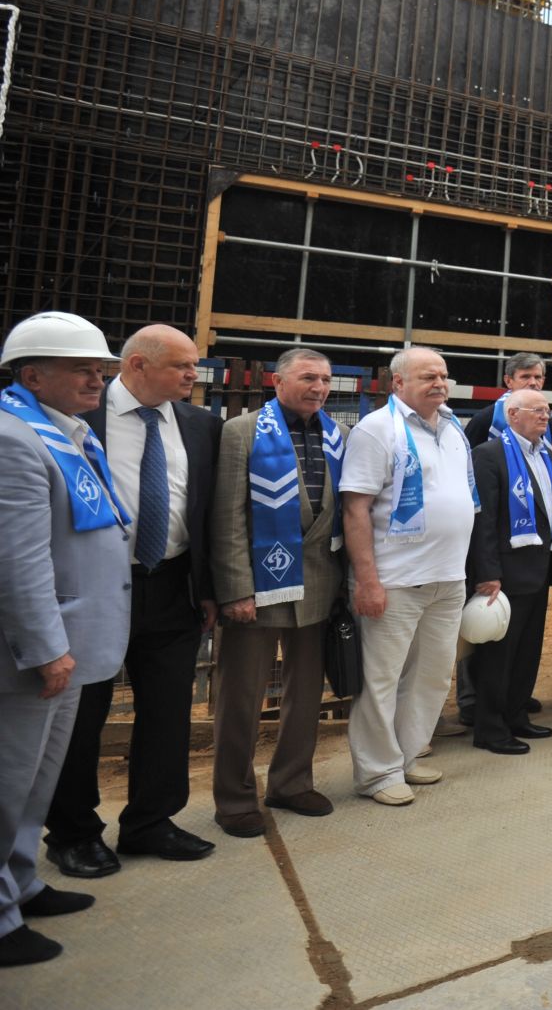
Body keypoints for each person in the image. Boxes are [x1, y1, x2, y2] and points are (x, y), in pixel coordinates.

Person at [48, 324, 220, 875]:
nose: (194, 375)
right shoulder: (79, 417)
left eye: (194, 365)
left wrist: (210, 590)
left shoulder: (199, 426)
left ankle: (150, 822)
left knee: (168, 710)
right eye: (182, 366)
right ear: (137, 366)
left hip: (172, 586)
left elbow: (207, 514)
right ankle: (73, 832)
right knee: (82, 715)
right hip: (97, 589)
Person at [0, 313, 133, 967]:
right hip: (35, 656)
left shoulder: (65, 433)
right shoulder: (13, 440)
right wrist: (46, 646)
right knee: (7, 784)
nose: (97, 376)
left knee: (34, 786)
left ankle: (19, 882)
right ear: (32, 375)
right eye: (82, 367)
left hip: (71, 648)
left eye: (101, 367)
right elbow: (18, 560)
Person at [207, 348, 344, 838]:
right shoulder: (241, 432)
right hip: (258, 586)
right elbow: (226, 518)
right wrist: (235, 589)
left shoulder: (338, 435)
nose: (319, 387)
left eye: (326, 380)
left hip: (319, 585)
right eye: (308, 377)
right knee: (240, 697)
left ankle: (290, 781)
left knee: (305, 693)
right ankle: (235, 797)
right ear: (277, 380)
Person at [338, 346, 477, 807]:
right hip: (395, 582)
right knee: (381, 681)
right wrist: (368, 581)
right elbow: (356, 508)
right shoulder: (376, 431)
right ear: (397, 383)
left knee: (433, 676)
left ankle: (408, 753)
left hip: (448, 578)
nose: (439, 383)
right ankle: (377, 773)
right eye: (426, 377)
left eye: (443, 375)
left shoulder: (454, 427)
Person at [466, 388, 552, 755]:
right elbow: (484, 521)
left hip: (536, 570)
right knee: (498, 654)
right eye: (536, 410)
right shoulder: (489, 456)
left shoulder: (543, 453)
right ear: (512, 416)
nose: (545, 416)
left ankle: (516, 714)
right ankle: (490, 728)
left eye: (547, 410)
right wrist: (487, 572)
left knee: (527, 650)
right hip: (504, 575)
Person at [463, 352, 547, 450]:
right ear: (508, 381)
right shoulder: (485, 420)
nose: (533, 383)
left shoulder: (547, 422)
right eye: (525, 377)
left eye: (537, 377)